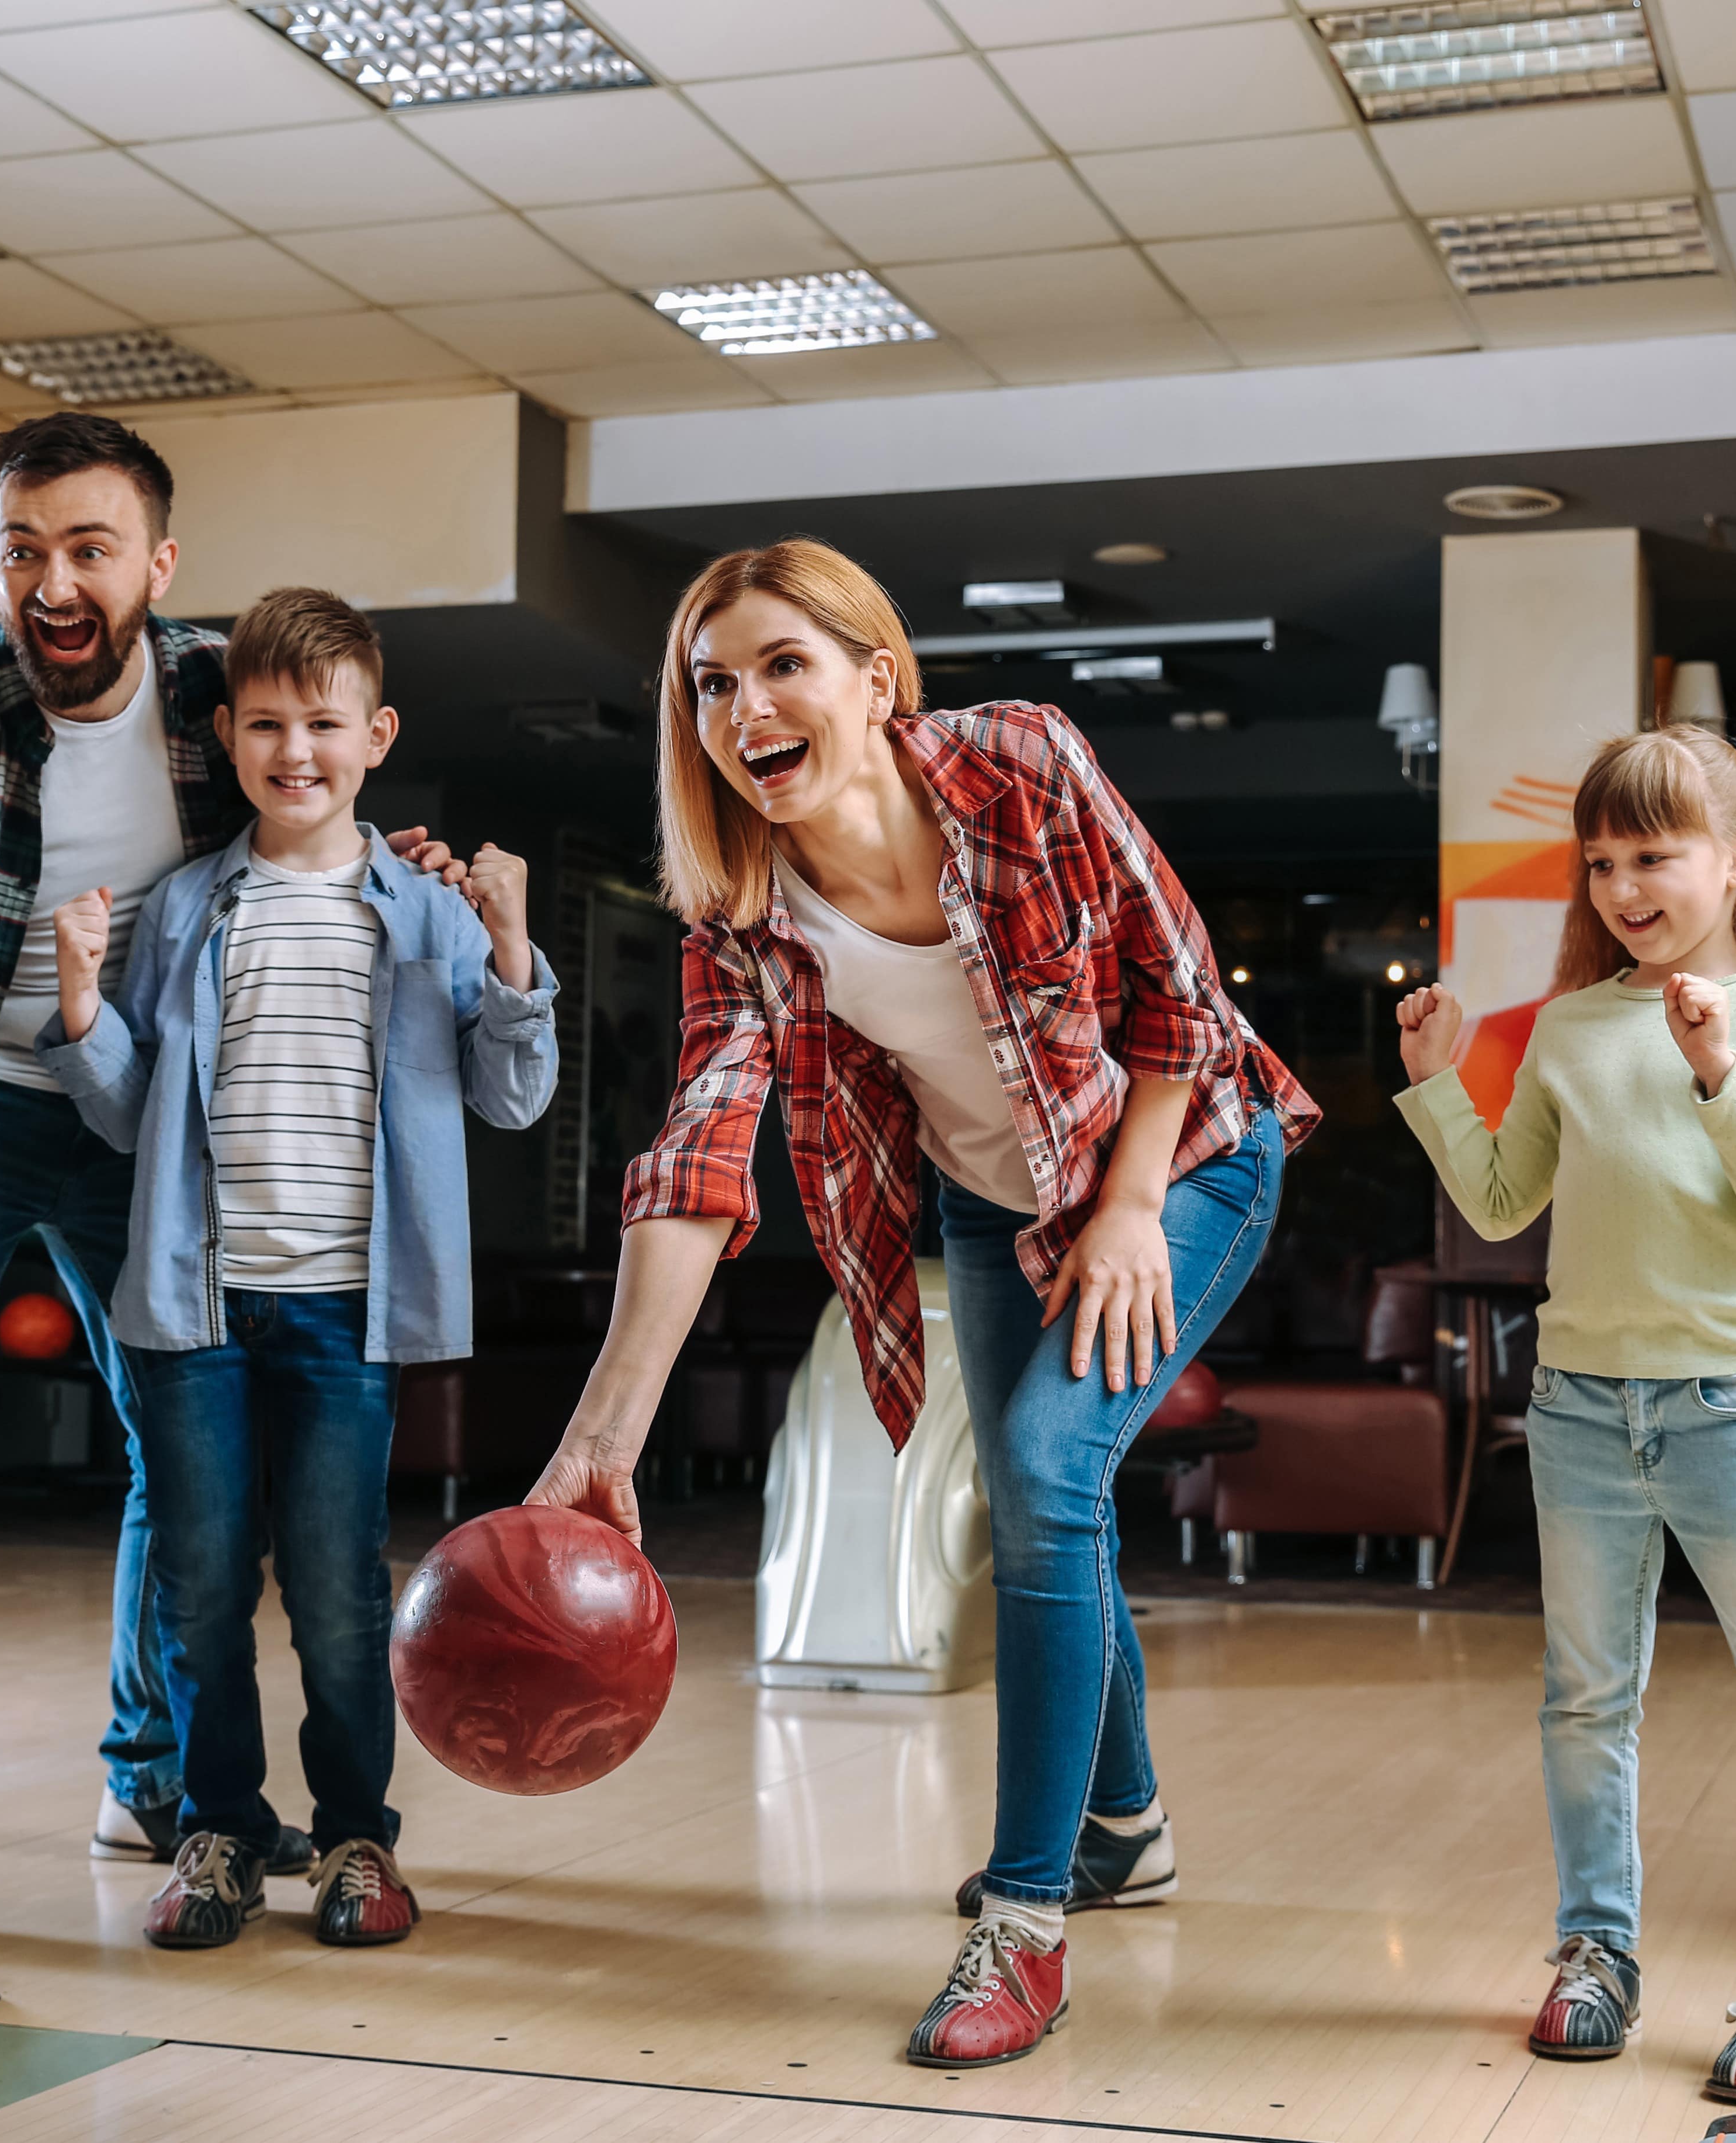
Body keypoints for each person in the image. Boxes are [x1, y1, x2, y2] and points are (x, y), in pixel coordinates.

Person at [523, 540, 1317, 2065]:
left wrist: (1135, 1205)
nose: (744, 707)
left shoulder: (1018, 763)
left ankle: (1023, 1925)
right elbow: (695, 1164)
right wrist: (598, 1442)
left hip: (1191, 1156)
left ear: (872, 680)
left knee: (1040, 1470)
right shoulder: (741, 919)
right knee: (1045, 1503)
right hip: (992, 1194)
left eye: (779, 666)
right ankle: (1124, 1827)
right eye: (709, 684)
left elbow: (1180, 990)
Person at [0, 417, 465, 1942]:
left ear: (158, 563)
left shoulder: (228, 699)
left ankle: (150, 1776)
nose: (53, 582)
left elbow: (322, 839)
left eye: (88, 549)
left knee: (175, 1462)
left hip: (149, 1143)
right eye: (21, 548)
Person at [39, 587, 557, 1949]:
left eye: (323, 724)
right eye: (266, 724)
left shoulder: (431, 916)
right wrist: (85, 999)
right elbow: (126, 1105)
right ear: (227, 734)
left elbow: (512, 1098)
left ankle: (353, 1843)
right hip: (194, 1306)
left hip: (346, 1311)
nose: (295, 751)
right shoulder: (188, 906)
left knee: (336, 1587)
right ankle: (217, 1829)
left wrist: (510, 946)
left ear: (374, 735)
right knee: (199, 1583)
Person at [1395, 715, 1736, 2108]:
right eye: (1599, 861)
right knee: (1585, 1703)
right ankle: (1595, 1955)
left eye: (1651, 855)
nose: (1621, 887)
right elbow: (1498, 1203)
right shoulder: (1572, 1025)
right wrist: (1432, 1076)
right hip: (1584, 1411)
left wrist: (1718, 1067)